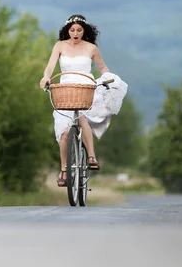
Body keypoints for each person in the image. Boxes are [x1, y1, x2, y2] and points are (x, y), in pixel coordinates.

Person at [39, 14, 125, 187]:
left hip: (85, 86)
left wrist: (108, 79)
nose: (76, 33)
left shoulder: (91, 48)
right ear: (67, 30)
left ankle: (91, 156)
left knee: (82, 115)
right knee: (64, 132)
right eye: (72, 30)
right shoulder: (60, 45)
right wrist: (46, 78)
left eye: (79, 30)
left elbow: (102, 67)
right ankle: (64, 170)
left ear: (84, 31)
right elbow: (49, 67)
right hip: (65, 88)